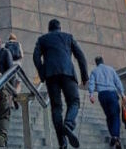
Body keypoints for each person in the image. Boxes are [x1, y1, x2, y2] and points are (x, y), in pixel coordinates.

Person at [33, 19, 88, 149]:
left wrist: (42, 74)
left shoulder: (42, 39)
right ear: (60, 27)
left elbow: (35, 57)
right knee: (74, 102)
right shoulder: (68, 37)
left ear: (49, 28)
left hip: (51, 75)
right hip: (68, 73)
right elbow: (81, 56)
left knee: (56, 107)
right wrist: (84, 77)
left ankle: (62, 142)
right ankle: (68, 123)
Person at [88, 56, 125, 149]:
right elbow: (118, 81)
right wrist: (122, 94)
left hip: (102, 95)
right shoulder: (111, 69)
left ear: (96, 63)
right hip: (112, 94)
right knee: (115, 115)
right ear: (103, 61)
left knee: (109, 116)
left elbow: (91, 83)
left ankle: (113, 136)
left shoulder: (94, 71)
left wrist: (91, 94)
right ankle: (116, 136)